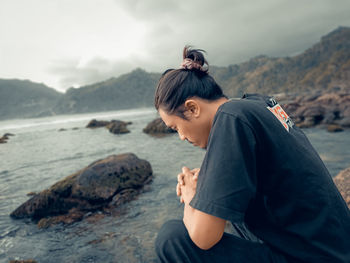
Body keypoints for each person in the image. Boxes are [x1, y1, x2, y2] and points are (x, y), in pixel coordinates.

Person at [153, 46, 350, 263]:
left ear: (192, 108)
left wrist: (192, 195)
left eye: (175, 127)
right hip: (333, 248)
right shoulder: (257, 104)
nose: (180, 136)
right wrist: (210, 177)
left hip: (311, 257)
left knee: (172, 239)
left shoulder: (231, 119)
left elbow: (203, 237)